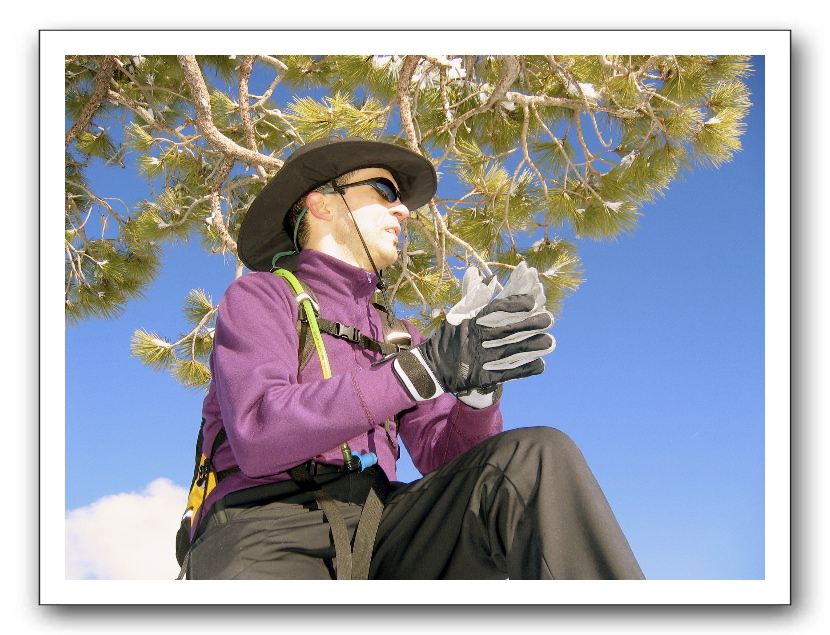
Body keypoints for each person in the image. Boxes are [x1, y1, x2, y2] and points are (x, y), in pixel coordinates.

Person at [180, 136, 645, 580]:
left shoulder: (400, 337)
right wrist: (424, 370)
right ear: (322, 204)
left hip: (383, 529)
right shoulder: (261, 296)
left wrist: (475, 393)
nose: (402, 209)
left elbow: (451, 461)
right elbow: (259, 432)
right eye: (384, 191)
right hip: (263, 523)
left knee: (535, 458)